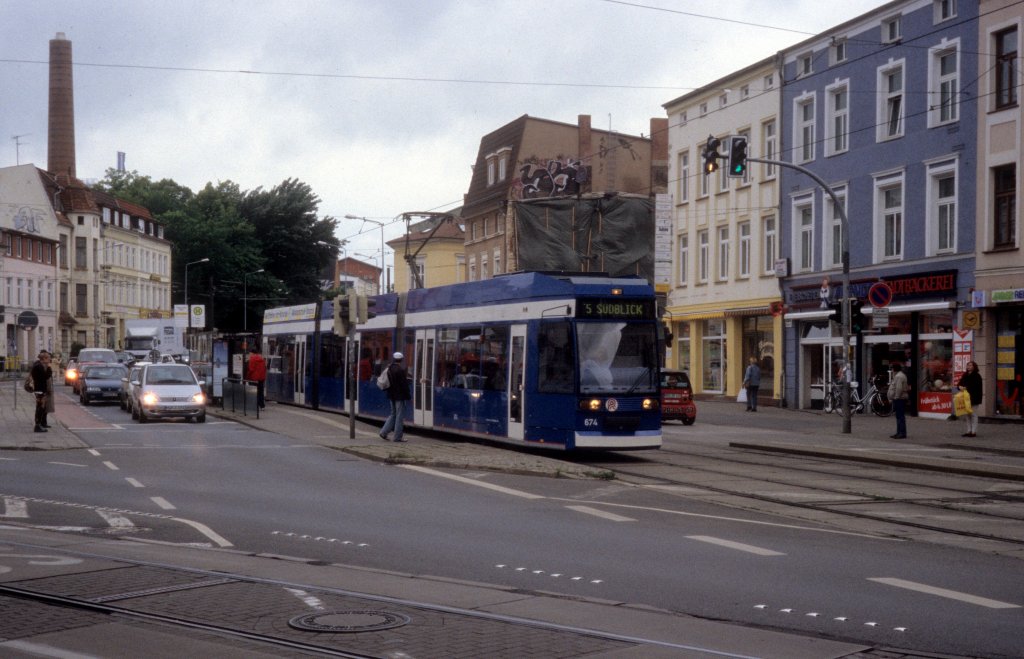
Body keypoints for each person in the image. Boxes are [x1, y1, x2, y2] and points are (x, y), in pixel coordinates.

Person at [379, 352, 411, 442]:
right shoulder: (400, 370)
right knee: (399, 416)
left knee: (393, 414)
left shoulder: (389, 368)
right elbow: (404, 385)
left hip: (391, 395)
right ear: (401, 359)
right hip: (399, 396)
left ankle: (383, 432)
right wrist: (408, 396)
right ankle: (397, 437)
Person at [29, 350, 54, 433]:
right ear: (44, 358)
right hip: (39, 389)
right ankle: (38, 425)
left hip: (40, 389)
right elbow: (45, 377)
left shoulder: (39, 366)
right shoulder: (38, 367)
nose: (49, 360)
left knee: (41, 407)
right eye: (48, 358)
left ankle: (39, 424)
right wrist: (49, 369)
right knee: (40, 407)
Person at [957, 361, 983, 438]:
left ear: (974, 367)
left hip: (974, 398)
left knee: (973, 414)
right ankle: (969, 431)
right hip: (965, 398)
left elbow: (976, 387)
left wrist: (966, 388)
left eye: (970, 365)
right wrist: (959, 387)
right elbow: (959, 384)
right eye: (967, 365)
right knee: (967, 415)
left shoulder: (977, 376)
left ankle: (974, 431)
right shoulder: (965, 375)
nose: (968, 366)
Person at [887, 362, 909, 439]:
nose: (891, 370)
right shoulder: (898, 375)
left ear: (894, 369)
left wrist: (896, 397)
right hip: (899, 398)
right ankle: (899, 432)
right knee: (899, 416)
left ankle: (901, 433)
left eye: (892, 368)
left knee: (900, 416)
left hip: (900, 399)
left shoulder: (899, 376)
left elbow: (899, 388)